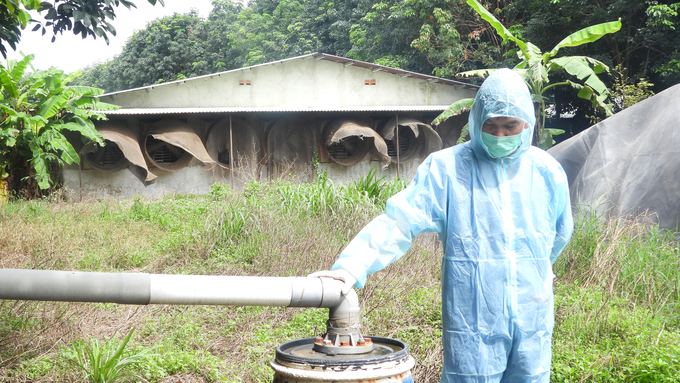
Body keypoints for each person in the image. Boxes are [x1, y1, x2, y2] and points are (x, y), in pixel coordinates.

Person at [309, 68, 574, 383]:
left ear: (526, 123)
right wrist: (350, 267)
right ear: (477, 121)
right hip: (473, 315)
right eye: (491, 125)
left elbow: (559, 233)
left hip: (533, 312)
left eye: (510, 125)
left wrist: (534, 273)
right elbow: (400, 221)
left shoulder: (546, 172)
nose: (500, 135)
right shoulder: (446, 169)